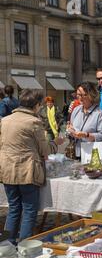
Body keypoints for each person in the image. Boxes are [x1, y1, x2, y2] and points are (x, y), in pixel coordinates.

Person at [0, 89, 63, 244]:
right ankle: (25, 246)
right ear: (35, 105)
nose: (40, 108)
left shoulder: (5, 120)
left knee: (13, 209)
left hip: (7, 169)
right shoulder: (33, 122)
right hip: (27, 171)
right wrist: (56, 143)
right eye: (40, 105)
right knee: (29, 210)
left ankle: (5, 245)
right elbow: (45, 150)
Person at [67, 82, 102, 158]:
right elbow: (71, 128)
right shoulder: (76, 110)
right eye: (78, 95)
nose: (80, 98)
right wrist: (70, 130)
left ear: (91, 95)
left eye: (84, 95)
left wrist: (87, 135)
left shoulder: (99, 113)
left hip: (92, 154)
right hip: (76, 153)